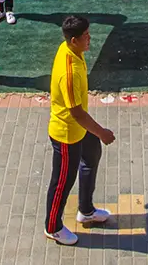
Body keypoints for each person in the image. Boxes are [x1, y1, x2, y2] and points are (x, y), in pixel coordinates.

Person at [44, 14, 115, 247]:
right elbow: (77, 114)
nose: (90, 39)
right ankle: (52, 227)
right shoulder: (70, 72)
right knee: (62, 181)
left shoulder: (70, 49)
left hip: (81, 130)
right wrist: (102, 132)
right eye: (85, 36)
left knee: (91, 158)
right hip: (67, 134)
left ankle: (86, 210)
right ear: (73, 40)